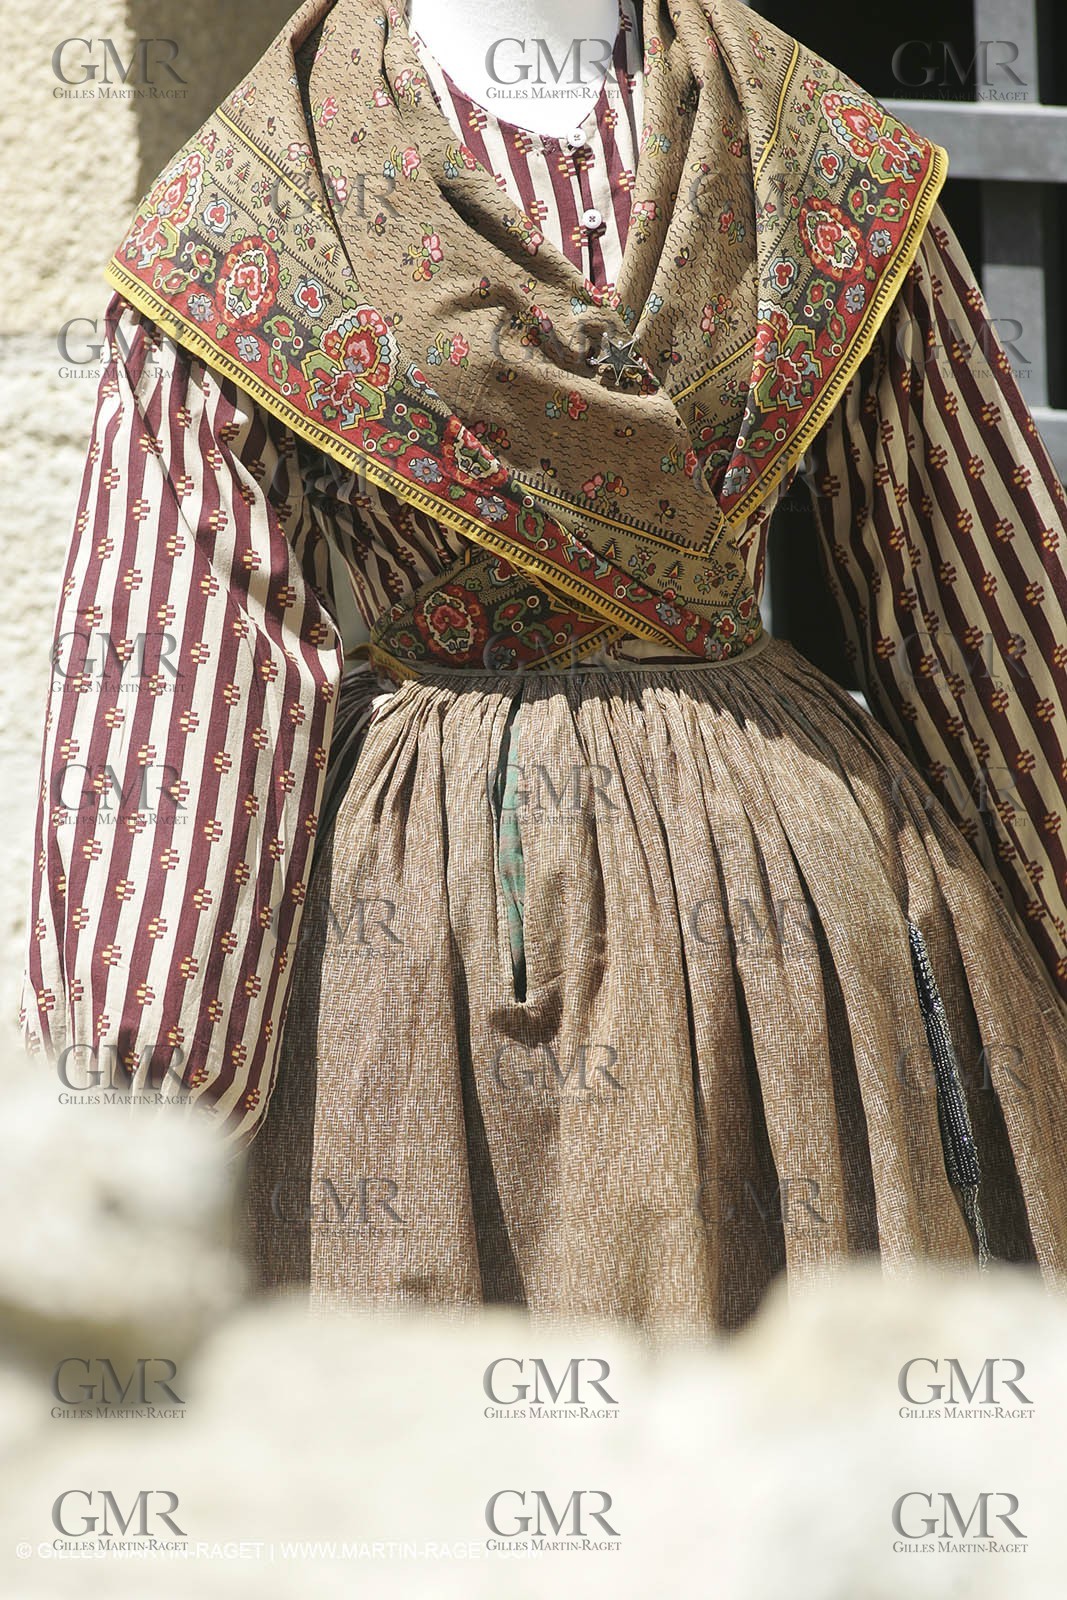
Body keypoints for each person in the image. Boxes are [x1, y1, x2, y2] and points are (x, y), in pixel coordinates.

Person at [21, 0, 1067, 1336]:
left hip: (797, 940)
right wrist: (132, 1122)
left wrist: (120, 1161)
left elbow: (991, 619)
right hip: (462, 944)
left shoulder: (821, 149)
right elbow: (177, 696)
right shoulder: (254, 206)